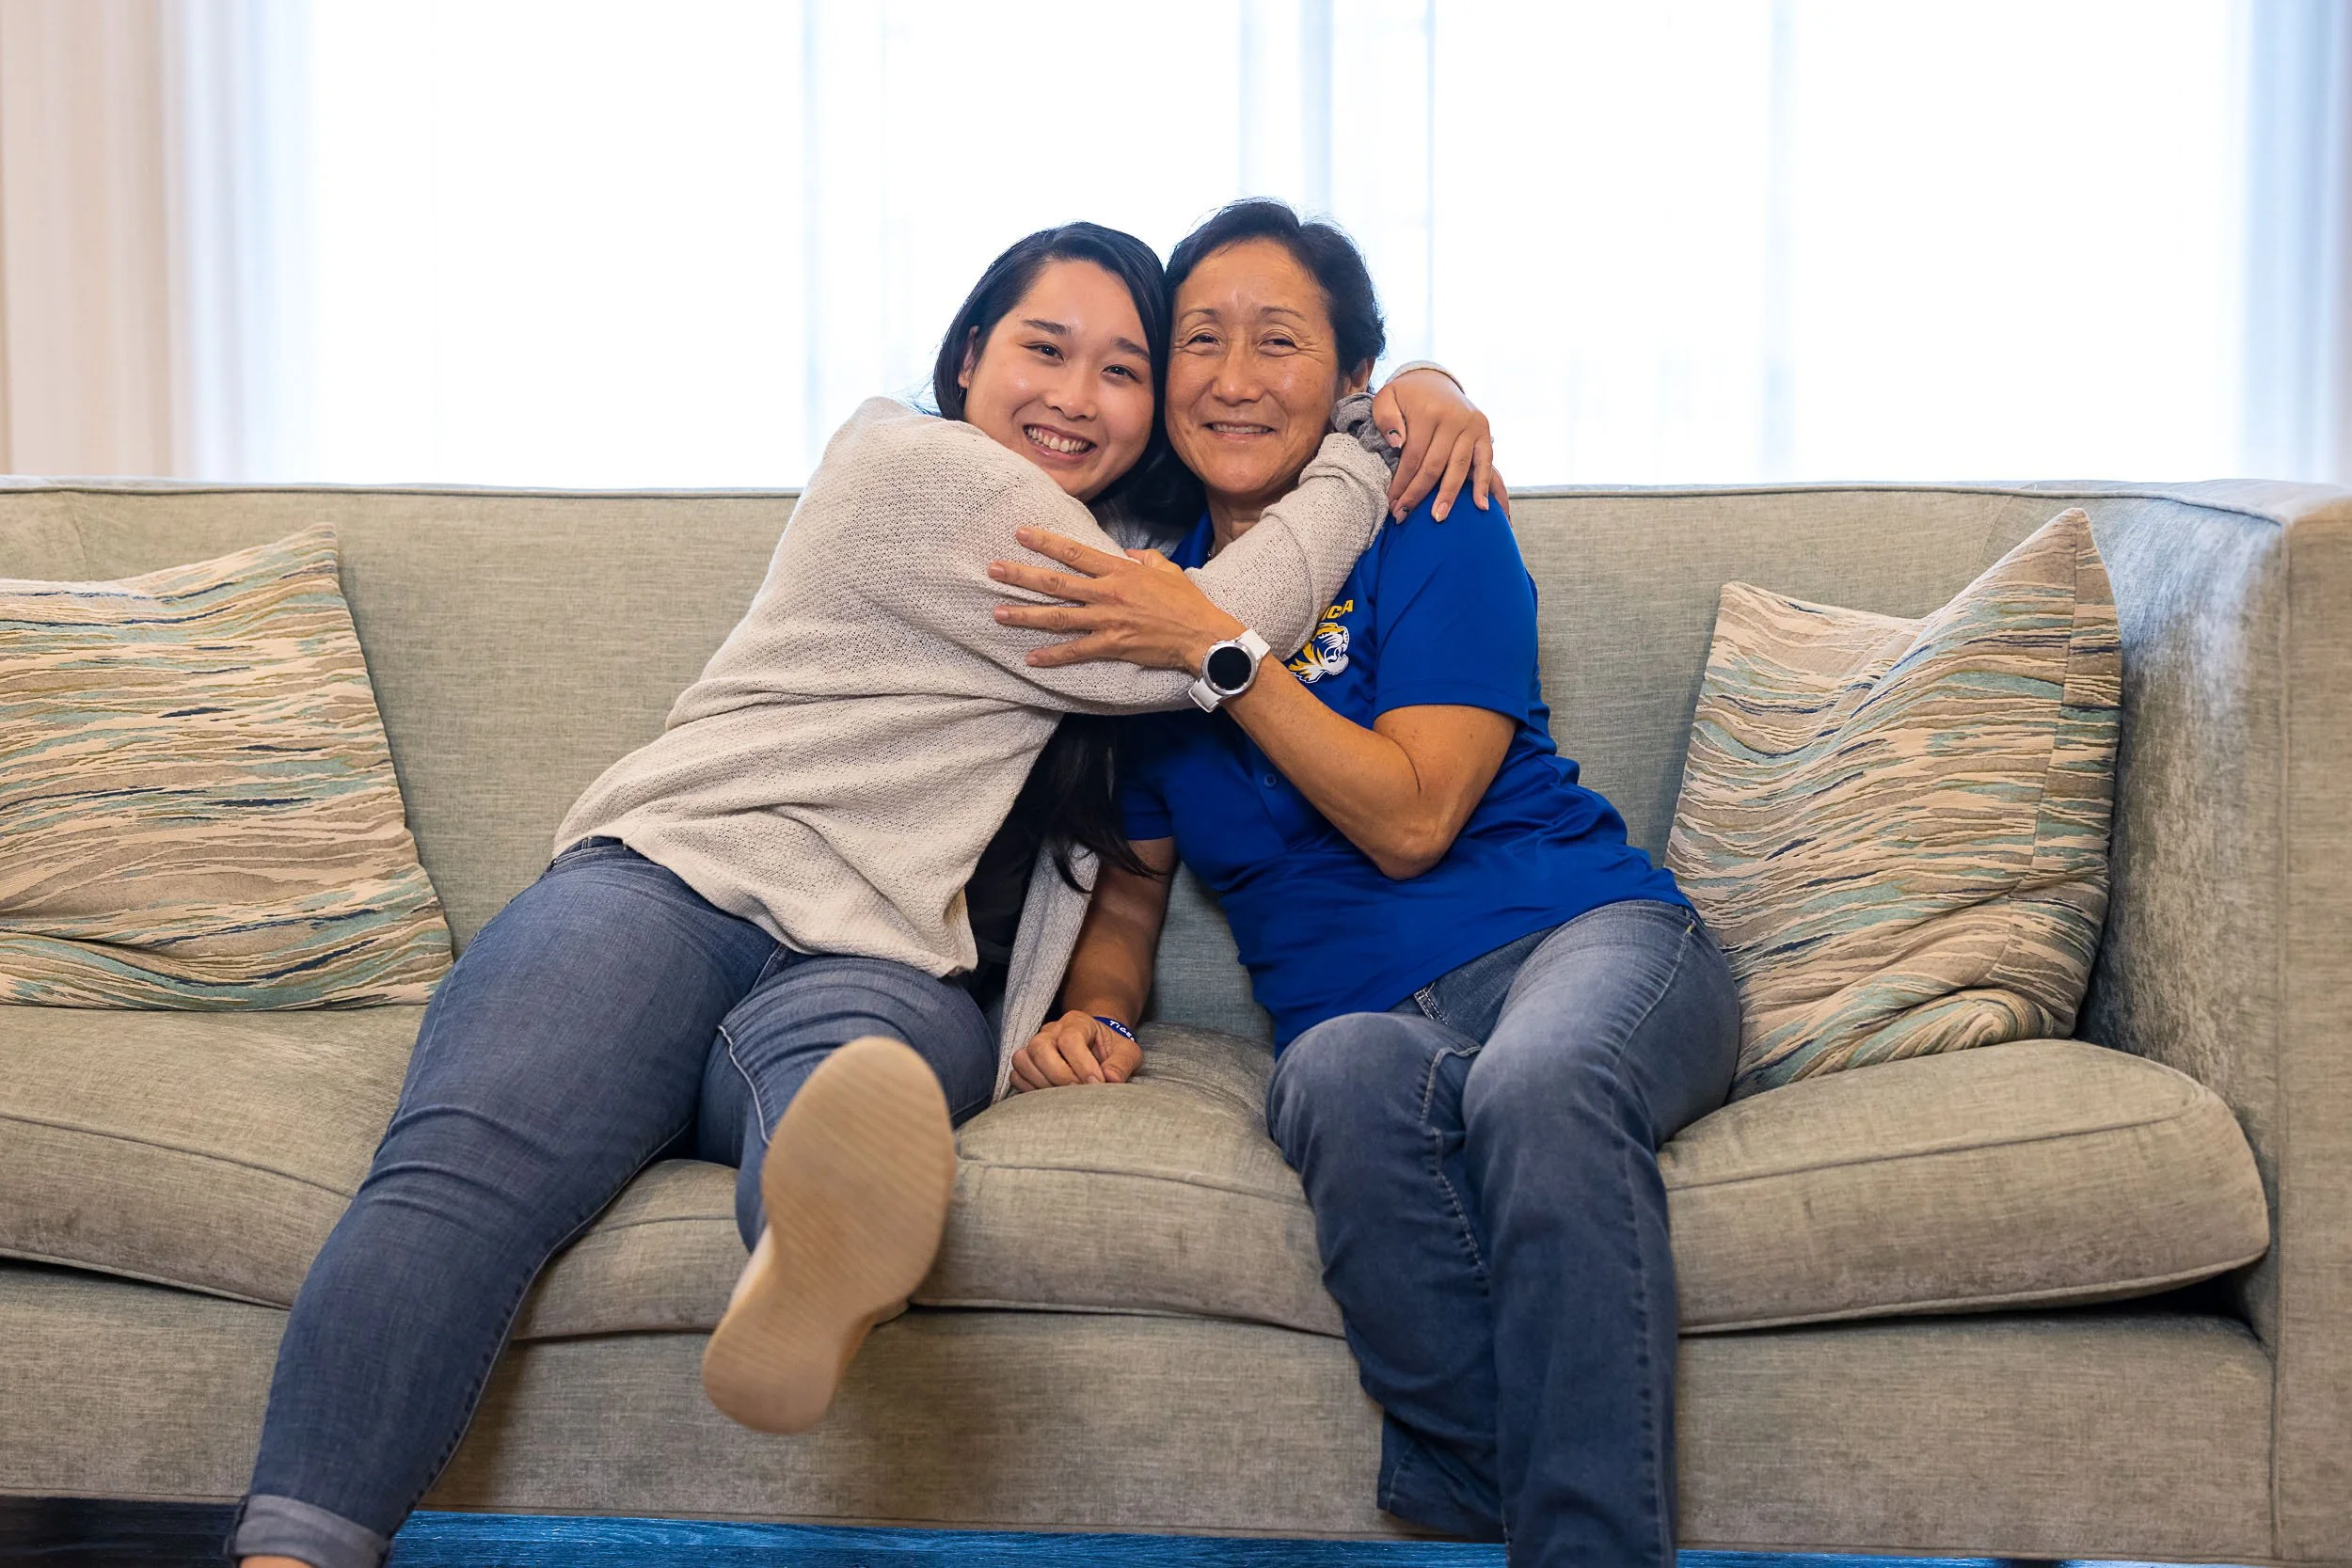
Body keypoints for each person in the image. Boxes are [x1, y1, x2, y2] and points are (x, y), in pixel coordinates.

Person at [230, 219, 1495, 1568]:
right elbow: (1185, 647)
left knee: (848, 1094)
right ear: (964, 363)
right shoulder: (912, 467)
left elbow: (1144, 793)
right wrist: (1374, 445)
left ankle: (809, 1261)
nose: (1077, 396)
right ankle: (295, 1550)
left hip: (888, 953)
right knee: (466, 1170)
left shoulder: (1137, 538)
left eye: (1123, 370)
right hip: (678, 882)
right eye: (1044, 350)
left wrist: (1412, 383)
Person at [991, 199, 1741, 1568]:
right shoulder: (1145, 602)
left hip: (1581, 940)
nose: (1232, 375)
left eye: (1278, 341)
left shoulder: (1423, 519)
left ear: (1348, 385)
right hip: (1371, 1019)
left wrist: (1222, 652)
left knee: (1539, 1082)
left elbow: (1414, 816)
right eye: (1199, 341)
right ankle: (1489, 1511)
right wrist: (1092, 1012)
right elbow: (1131, 901)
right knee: (1330, 1073)